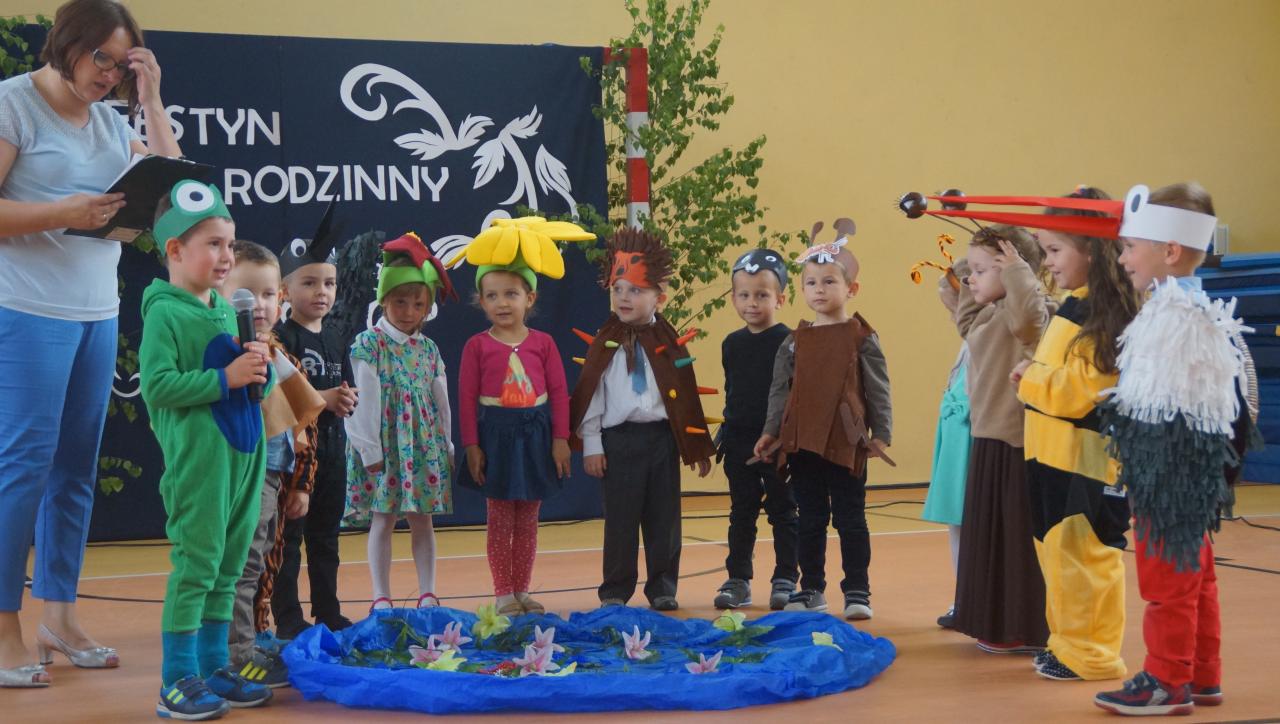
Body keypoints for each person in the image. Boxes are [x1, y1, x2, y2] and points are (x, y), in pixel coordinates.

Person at [0, 0, 179, 687]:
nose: (108, 74)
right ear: (65, 43)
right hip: (24, 311)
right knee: (22, 468)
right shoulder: (14, 105)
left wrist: (151, 97)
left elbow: (174, 183)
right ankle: (4, 627)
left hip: (97, 312)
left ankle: (60, 616)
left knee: (75, 470)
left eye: (120, 64)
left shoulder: (110, 121)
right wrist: (64, 212)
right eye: (99, 57)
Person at [1094, 183, 1251, 715]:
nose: (1122, 258)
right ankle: (1202, 675)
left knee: (1168, 581)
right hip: (1190, 471)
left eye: (1130, 246)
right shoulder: (1192, 307)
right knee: (1195, 574)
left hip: (1170, 474)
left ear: (1170, 250)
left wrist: (1139, 472)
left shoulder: (1174, 316)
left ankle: (1166, 680)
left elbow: (1155, 405)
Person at [139, 180, 274, 718]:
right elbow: (158, 386)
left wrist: (257, 365)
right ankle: (176, 679)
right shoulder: (165, 313)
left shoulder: (224, 307)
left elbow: (246, 379)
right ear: (175, 249)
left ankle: (216, 666)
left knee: (227, 566)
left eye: (230, 244)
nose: (227, 256)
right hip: (200, 463)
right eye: (214, 244)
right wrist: (225, 378)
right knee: (197, 566)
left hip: (244, 455)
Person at [1011, 187, 1138, 682]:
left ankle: (1094, 654)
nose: (1048, 262)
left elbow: (1082, 391)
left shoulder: (1105, 314)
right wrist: (1035, 376)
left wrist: (1030, 379)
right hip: (1052, 454)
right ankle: (1067, 644)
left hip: (1085, 460)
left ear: (1092, 251)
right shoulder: (1074, 306)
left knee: (1086, 558)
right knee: (1059, 555)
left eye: (1055, 250)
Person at [569, 228, 716, 611]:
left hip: (662, 441)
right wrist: (593, 444)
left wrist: (695, 446)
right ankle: (615, 589)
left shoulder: (667, 340)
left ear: (659, 297)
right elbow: (592, 394)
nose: (623, 298)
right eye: (617, 289)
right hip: (619, 442)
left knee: (664, 519)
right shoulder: (606, 341)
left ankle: (663, 587)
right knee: (620, 519)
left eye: (635, 291)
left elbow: (683, 395)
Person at [452, 217, 591, 615]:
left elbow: (560, 393)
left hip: (535, 437)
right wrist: (472, 446)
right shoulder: (477, 346)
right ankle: (503, 593)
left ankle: (522, 590)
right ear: (481, 301)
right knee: (500, 519)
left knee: (528, 519)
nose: (502, 303)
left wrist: (560, 439)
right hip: (496, 438)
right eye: (492, 295)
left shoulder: (543, 344)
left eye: (511, 294)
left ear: (529, 298)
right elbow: (466, 399)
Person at [755, 220, 893, 620]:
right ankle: (812, 588)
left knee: (851, 518)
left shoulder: (862, 337)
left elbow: (878, 388)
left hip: (846, 442)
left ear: (851, 289)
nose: (819, 290)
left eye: (829, 281)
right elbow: (780, 391)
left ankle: (857, 590)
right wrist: (770, 432)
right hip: (802, 442)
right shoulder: (793, 341)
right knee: (811, 518)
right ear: (802, 290)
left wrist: (881, 433)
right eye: (811, 283)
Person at [220, 241, 323, 689]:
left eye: (266, 294)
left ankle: (252, 636)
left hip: (275, 476)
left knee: (261, 560)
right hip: (245, 474)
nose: (258, 306)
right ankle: (236, 652)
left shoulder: (279, 356)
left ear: (280, 299)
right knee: (242, 563)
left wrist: (300, 483)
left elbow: (302, 425)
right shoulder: (229, 354)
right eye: (245, 295)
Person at [948, 225, 1053, 651]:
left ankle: (1023, 628)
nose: (971, 279)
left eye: (981, 271)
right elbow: (964, 317)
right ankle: (993, 623)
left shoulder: (1030, 310)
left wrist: (1017, 271)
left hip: (1018, 442)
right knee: (989, 540)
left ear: (1014, 269)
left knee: (1016, 544)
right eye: (971, 271)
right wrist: (969, 268)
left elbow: (1029, 321)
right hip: (988, 436)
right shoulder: (988, 314)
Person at [345, 232, 456, 611]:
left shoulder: (428, 349)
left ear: (427, 308)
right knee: (384, 519)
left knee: (422, 519)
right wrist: (369, 450)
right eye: (400, 302)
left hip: (421, 446)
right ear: (384, 300)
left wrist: (446, 444)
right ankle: (381, 595)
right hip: (386, 447)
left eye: (418, 304)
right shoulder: (369, 344)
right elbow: (362, 400)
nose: (409, 311)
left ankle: (428, 591)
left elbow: (441, 401)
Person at [272, 203, 358, 637]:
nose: (321, 292)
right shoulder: (280, 338)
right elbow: (277, 402)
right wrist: (323, 400)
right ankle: (288, 618)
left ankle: (328, 610)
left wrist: (347, 398)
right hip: (295, 457)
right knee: (288, 540)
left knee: (326, 539)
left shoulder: (337, 336)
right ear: (285, 291)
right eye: (309, 283)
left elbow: (345, 387)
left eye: (328, 283)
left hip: (333, 454)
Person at [712, 249, 798, 611]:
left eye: (762, 295)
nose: (752, 303)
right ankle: (738, 579)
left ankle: (786, 578)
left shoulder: (791, 341)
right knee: (742, 512)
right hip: (739, 441)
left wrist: (784, 437)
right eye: (744, 295)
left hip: (779, 442)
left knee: (783, 510)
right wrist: (726, 433)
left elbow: (795, 394)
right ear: (733, 298)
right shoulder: (731, 343)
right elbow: (734, 391)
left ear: (780, 299)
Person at [920, 259, 971, 629]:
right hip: (956, 443)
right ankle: (964, 596)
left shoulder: (985, 339)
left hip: (971, 442)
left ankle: (972, 597)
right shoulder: (968, 343)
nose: (953, 318)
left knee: (971, 526)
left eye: (954, 309)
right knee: (958, 525)